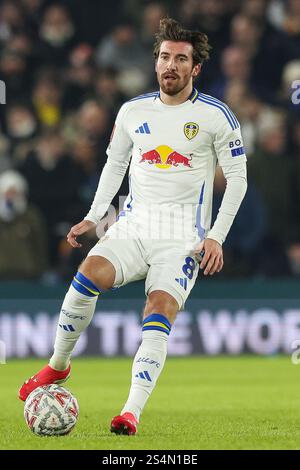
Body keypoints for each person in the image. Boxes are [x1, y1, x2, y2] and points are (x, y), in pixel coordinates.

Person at [19, 18, 247, 435]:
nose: (170, 66)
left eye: (181, 59)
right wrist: (93, 215)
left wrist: (216, 236)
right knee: (86, 277)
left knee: (157, 312)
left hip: (183, 238)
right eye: (164, 57)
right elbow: (115, 164)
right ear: (155, 62)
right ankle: (57, 366)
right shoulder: (132, 111)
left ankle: (130, 413)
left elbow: (239, 180)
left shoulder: (216, 117)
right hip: (133, 224)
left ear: (195, 69)